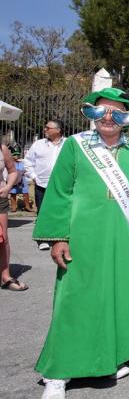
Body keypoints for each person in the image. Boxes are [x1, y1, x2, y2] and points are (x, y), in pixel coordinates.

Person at [34, 87, 129, 399]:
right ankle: (58, 373)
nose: (108, 118)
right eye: (101, 111)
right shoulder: (76, 147)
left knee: (121, 294)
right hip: (84, 235)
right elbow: (59, 192)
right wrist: (57, 236)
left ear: (127, 118)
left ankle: (109, 357)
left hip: (124, 236)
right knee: (75, 297)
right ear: (90, 113)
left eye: (117, 113)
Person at [23, 118, 65, 250]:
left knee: (61, 210)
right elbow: (28, 162)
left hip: (62, 185)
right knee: (42, 211)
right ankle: (43, 239)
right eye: (45, 127)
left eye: (48, 128)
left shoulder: (69, 143)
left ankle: (61, 238)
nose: (45, 130)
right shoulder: (38, 144)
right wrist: (34, 177)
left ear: (58, 130)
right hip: (42, 183)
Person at [0, 143, 23, 291]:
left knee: (2, 239)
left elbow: (12, 171)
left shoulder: (2, 149)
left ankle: (5, 276)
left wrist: (8, 187)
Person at [8, 144, 34, 212]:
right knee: (13, 194)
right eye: (15, 154)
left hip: (22, 180)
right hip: (14, 180)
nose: (17, 156)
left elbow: (26, 169)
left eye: (18, 154)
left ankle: (27, 206)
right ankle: (14, 207)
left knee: (25, 193)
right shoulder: (10, 163)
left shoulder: (22, 162)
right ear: (12, 155)